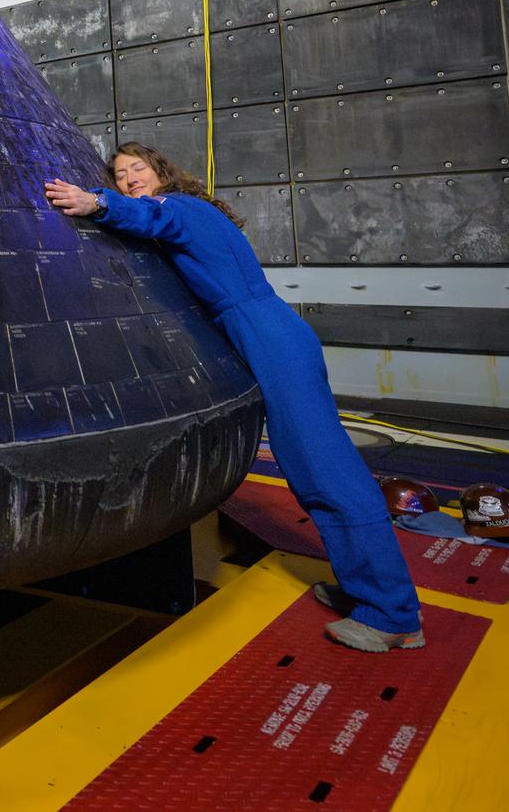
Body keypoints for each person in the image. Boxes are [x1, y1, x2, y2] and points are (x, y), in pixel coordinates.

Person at [44, 143, 424, 654]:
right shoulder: (190, 210)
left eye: (139, 169)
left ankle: (392, 614)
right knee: (311, 468)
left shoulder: (180, 208)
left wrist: (97, 203)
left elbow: (153, 219)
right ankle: (366, 590)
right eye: (119, 175)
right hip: (263, 332)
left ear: (162, 173)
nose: (130, 178)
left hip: (265, 334)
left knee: (324, 471)